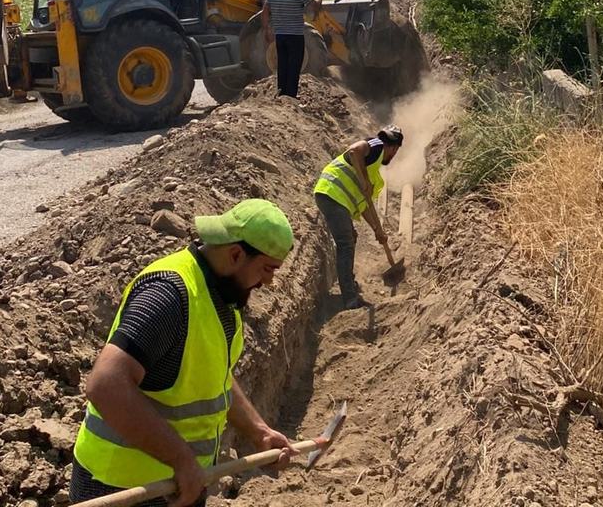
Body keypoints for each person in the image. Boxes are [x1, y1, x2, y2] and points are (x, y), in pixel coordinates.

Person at [70, 199, 296, 507]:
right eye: (267, 268)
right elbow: (106, 385)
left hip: (175, 483)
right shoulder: (169, 295)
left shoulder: (221, 297)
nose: (269, 281)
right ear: (235, 254)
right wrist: (181, 459)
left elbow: (214, 378)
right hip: (121, 488)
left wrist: (259, 432)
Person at [314, 126, 404, 310]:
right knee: (345, 244)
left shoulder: (372, 167)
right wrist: (363, 180)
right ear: (394, 148)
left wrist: (377, 230)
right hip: (331, 194)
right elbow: (354, 150)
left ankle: (350, 286)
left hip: (334, 198)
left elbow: (364, 206)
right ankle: (350, 298)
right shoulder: (377, 145)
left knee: (350, 239)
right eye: (394, 151)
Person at [261, 0, 323, 99]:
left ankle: (281, 93)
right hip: (295, 35)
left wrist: (267, 29)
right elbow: (315, 6)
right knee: (294, 65)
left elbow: (265, 11)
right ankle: (291, 96)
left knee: (282, 63)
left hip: (280, 35)